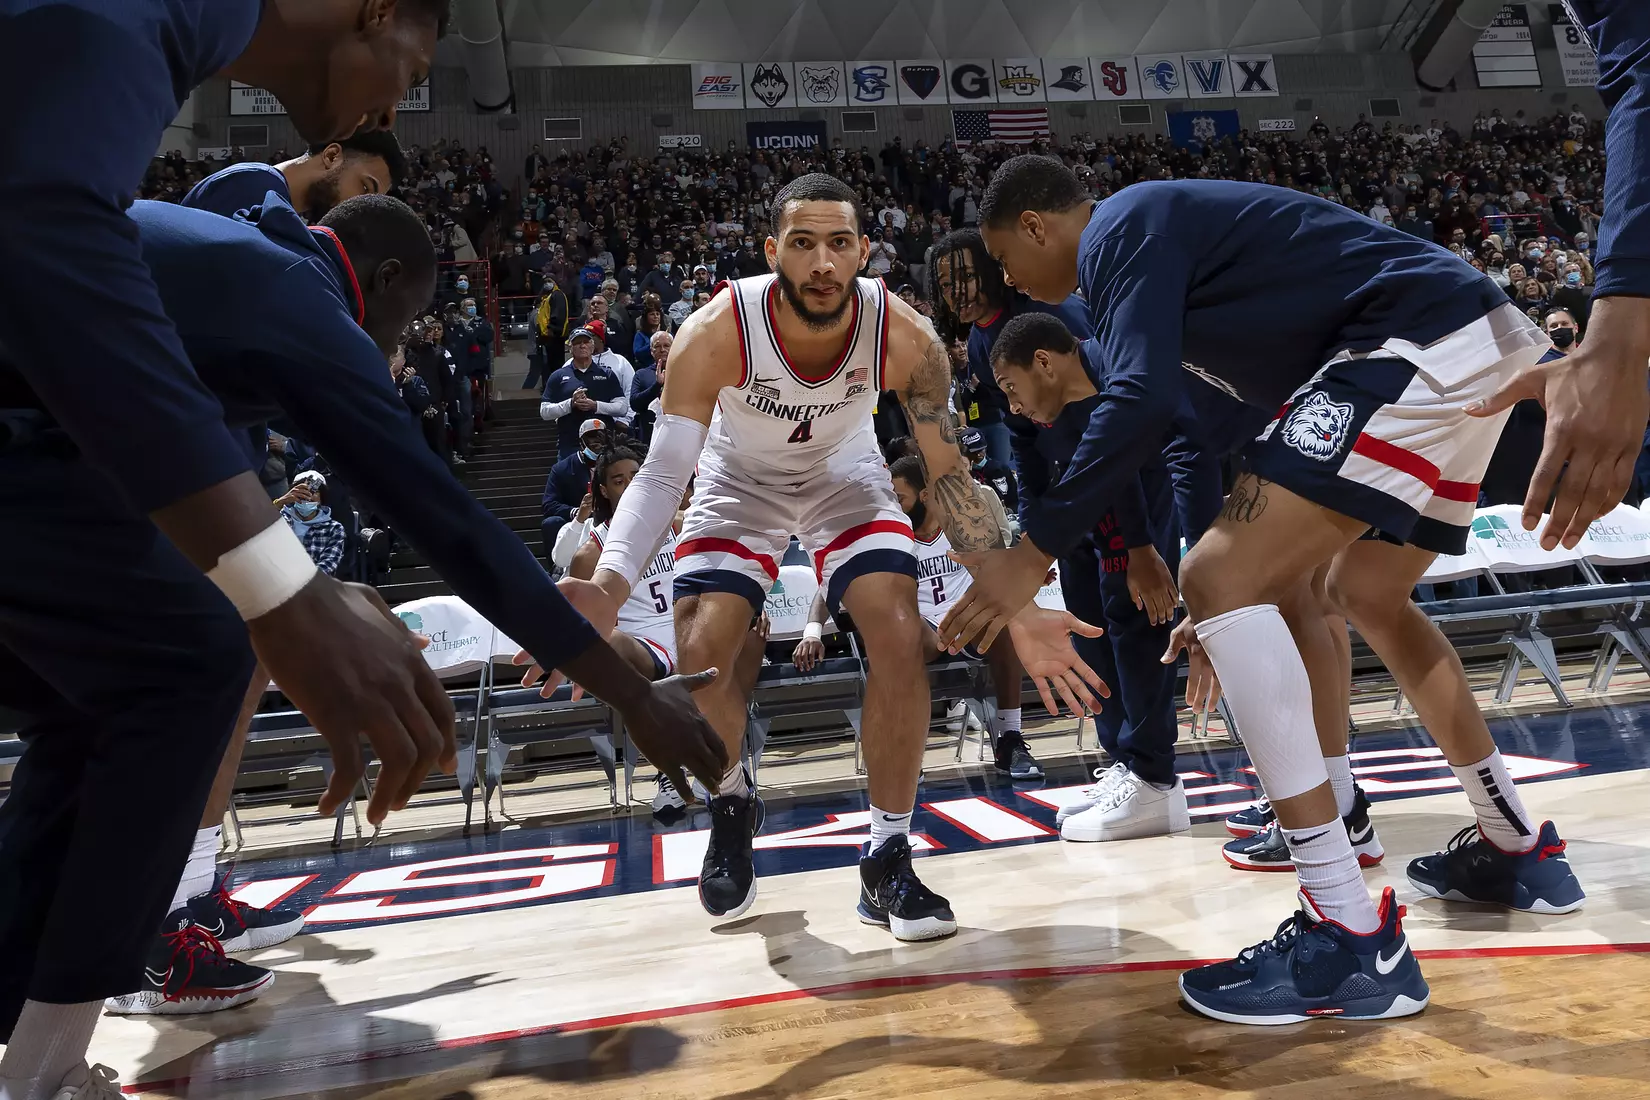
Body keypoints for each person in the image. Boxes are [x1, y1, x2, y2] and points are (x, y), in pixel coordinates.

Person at [81, 191, 731, 1023]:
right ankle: (129, 942)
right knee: (165, 680)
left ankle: (183, 896)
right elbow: (454, 530)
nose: (401, 341)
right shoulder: (303, 307)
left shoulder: (254, 223)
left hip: (93, 412)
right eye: (413, 313)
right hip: (51, 425)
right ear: (385, 280)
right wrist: (633, 693)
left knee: (225, 648)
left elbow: (238, 183)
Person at [968, 158, 1584, 1024]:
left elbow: (1144, 404)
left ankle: (1347, 929)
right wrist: (1228, 615)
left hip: (1411, 340)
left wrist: (1032, 551)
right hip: (1472, 340)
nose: (1008, 281)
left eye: (1003, 258)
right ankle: (1516, 845)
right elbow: (1212, 434)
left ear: (1036, 225)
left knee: (1218, 572)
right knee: (1361, 592)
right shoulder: (1174, 273)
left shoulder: (1120, 229)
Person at [0, 2, 452, 1095]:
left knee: (157, 676)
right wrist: (279, 580)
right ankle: (106, 993)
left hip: (77, 426)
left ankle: (138, 942)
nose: (390, 110)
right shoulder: (234, 194)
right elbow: (57, 246)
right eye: (364, 184)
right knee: (199, 654)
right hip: (56, 428)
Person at [584, 174, 1102, 943]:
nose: (823, 262)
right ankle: (732, 799)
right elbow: (663, 474)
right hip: (739, 481)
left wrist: (1018, 605)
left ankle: (888, 853)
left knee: (896, 630)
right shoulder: (716, 327)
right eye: (803, 244)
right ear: (772, 252)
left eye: (838, 244)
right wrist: (607, 584)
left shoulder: (907, 336)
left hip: (844, 475)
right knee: (698, 648)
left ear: (865, 251)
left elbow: (950, 479)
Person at [929, 227, 1193, 843]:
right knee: (1089, 629)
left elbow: (1111, 430)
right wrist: (1035, 523)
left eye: (965, 275)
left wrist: (1136, 544)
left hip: (1124, 486)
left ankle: (1153, 774)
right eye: (944, 284)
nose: (955, 291)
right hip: (1069, 500)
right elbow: (1020, 436)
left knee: (1134, 625)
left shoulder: (1051, 316)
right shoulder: (981, 339)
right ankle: (1123, 762)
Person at [793, 455, 1042, 780]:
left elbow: (998, 573)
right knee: (901, 635)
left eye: (901, 498)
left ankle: (1010, 740)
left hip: (964, 621)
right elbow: (829, 585)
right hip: (921, 629)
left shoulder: (962, 529)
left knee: (1003, 623)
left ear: (925, 496)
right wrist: (812, 631)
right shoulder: (890, 537)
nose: (894, 504)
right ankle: (906, 751)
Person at [180, 130, 407, 222]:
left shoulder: (270, 194)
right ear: (331, 156)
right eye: (365, 188)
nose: (360, 205)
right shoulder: (255, 186)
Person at [539, 328, 627, 457]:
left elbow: (622, 408)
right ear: (570, 348)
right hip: (570, 444)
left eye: (586, 341)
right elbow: (544, 412)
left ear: (592, 346)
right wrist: (571, 404)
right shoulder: (558, 376)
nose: (582, 345)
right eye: (577, 343)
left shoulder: (607, 374)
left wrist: (595, 405)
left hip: (603, 443)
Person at [541, 419, 609, 561]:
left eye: (600, 436)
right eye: (590, 436)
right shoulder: (562, 468)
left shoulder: (615, 464)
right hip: (577, 519)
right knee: (551, 522)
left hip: (608, 515)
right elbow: (549, 504)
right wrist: (576, 512)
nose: (596, 441)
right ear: (581, 442)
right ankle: (556, 569)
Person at [277, 470, 346, 576]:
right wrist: (280, 502)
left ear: (322, 498)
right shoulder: (279, 518)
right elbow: (253, 530)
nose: (308, 496)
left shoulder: (334, 529)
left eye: (315, 492)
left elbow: (328, 565)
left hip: (313, 586)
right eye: (302, 491)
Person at [526, 278, 571, 391]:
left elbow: (557, 315)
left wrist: (552, 329)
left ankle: (557, 391)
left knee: (554, 367)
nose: (546, 283)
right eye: (545, 281)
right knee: (547, 369)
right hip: (546, 339)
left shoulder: (557, 295)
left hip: (554, 337)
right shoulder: (548, 298)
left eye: (549, 280)